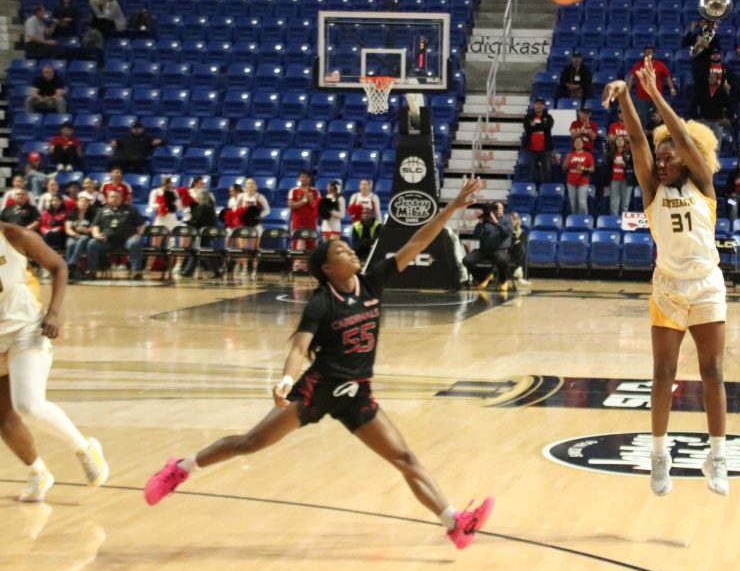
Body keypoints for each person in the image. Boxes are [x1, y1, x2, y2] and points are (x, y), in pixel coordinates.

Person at [142, 180, 494, 549]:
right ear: (328, 268)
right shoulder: (321, 303)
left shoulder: (372, 283)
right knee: (250, 443)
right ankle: (180, 468)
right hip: (317, 391)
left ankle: (455, 523)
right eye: (342, 251)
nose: (352, 253)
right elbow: (300, 347)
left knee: (405, 457)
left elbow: (416, 243)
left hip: (357, 394)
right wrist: (285, 380)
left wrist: (452, 207)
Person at [602, 62, 730, 497]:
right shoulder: (652, 190)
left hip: (707, 284)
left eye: (669, 154)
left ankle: (717, 456)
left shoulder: (704, 186)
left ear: (686, 156)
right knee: (663, 373)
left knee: (712, 371)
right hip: (669, 288)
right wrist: (624, 96)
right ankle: (660, 456)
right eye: (659, 156)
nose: (661, 159)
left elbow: (677, 135)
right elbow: (638, 138)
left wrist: (654, 95)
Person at [0, 219, 109, 502]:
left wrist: (54, 313)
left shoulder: (15, 236)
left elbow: (59, 266)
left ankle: (84, 448)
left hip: (27, 328)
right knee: (5, 420)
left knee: (28, 405)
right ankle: (38, 472)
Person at [85, 190, 146, 280]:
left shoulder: (130, 209)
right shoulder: (102, 210)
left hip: (127, 240)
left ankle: (136, 271)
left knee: (135, 242)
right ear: (108, 199)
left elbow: (142, 224)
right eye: (112, 197)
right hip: (107, 241)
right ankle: (92, 270)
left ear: (121, 198)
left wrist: (139, 234)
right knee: (92, 243)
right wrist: (96, 235)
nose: (114, 199)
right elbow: (95, 225)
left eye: (117, 197)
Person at [463, 201, 514, 292]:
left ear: (503, 210)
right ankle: (482, 278)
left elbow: (507, 233)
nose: (498, 210)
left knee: (502, 259)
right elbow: (476, 236)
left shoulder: (507, 220)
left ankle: (503, 281)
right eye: (495, 208)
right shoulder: (485, 221)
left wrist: (496, 222)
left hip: (500, 250)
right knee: (467, 260)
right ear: (492, 210)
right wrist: (480, 223)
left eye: (500, 208)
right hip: (484, 250)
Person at [627, 47, 676, 131]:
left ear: (654, 54)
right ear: (644, 54)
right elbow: (632, 77)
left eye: (650, 52)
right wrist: (628, 90)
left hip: (656, 97)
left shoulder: (660, 65)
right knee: (643, 118)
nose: (648, 54)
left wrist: (672, 88)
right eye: (647, 52)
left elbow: (667, 77)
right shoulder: (639, 65)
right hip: (641, 97)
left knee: (657, 118)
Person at [231, 179, 270, 278]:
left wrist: (259, 216)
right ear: (245, 186)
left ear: (255, 185)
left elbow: (267, 210)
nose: (250, 185)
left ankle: (254, 268)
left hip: (255, 224)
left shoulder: (260, 197)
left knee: (256, 248)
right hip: (244, 224)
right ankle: (244, 267)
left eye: (252, 183)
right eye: (248, 183)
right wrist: (239, 214)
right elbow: (235, 207)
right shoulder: (241, 196)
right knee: (242, 247)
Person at [693, 66, 735, 146]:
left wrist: (728, 118)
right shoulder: (701, 92)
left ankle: (715, 159)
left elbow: (730, 106)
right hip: (704, 121)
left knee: (716, 145)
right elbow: (694, 105)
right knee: (704, 145)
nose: (712, 79)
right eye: (710, 77)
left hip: (718, 122)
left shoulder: (722, 92)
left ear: (717, 79)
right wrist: (696, 118)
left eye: (713, 77)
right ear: (708, 79)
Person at [521, 97, 555, 185]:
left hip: (545, 148)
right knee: (532, 170)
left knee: (547, 170)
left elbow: (548, 127)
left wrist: (534, 126)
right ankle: (535, 188)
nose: (539, 106)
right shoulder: (528, 117)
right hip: (531, 148)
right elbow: (527, 128)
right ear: (534, 105)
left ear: (543, 106)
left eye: (541, 104)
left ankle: (546, 189)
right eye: (537, 104)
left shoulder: (548, 117)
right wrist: (541, 126)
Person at [684, 18, 722, 90]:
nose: (703, 25)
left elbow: (718, 49)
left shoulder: (714, 36)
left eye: (704, 23)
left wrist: (708, 47)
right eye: (701, 23)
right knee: (698, 87)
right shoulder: (696, 35)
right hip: (697, 64)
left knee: (708, 87)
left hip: (709, 64)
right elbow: (684, 43)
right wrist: (691, 30)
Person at [563, 136, 595, 216]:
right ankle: (574, 221)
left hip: (583, 181)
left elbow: (592, 169)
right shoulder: (570, 155)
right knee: (573, 203)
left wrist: (584, 168)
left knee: (582, 203)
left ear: (583, 144)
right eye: (576, 142)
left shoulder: (588, 155)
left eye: (580, 142)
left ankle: (583, 220)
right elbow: (564, 168)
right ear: (573, 144)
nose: (578, 143)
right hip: (571, 181)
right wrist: (567, 163)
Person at [64, 196, 95, 274]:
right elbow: (68, 229)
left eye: (86, 201)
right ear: (77, 203)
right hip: (73, 236)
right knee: (70, 244)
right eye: (81, 201)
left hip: (86, 237)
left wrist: (85, 230)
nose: (84, 203)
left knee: (83, 239)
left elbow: (94, 228)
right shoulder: (71, 214)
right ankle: (71, 270)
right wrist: (75, 234)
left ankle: (71, 265)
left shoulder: (92, 215)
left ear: (88, 204)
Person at [607, 133, 634, 217]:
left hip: (627, 180)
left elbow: (635, 166)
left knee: (625, 205)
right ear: (615, 142)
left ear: (625, 142)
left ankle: (624, 225)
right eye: (618, 140)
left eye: (621, 140)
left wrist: (626, 165)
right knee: (614, 205)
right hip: (614, 180)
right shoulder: (611, 153)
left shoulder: (630, 153)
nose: (619, 141)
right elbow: (607, 167)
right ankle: (614, 223)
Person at [508, 211, 531, 288]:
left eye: (515, 219)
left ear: (518, 221)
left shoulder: (522, 232)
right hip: (507, 252)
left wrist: (516, 241)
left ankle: (519, 269)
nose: (513, 221)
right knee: (521, 248)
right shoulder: (506, 230)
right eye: (511, 219)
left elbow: (522, 243)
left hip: (516, 253)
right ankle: (519, 272)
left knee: (522, 247)